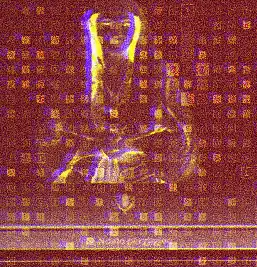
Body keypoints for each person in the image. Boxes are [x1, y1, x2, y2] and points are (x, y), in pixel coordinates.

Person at [42, 1, 195, 185]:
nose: (115, 33)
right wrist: (92, 147)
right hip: (85, 171)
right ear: (91, 28)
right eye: (105, 25)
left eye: (125, 25)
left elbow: (183, 133)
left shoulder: (159, 75)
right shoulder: (70, 76)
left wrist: (137, 147)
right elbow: (51, 134)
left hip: (141, 173)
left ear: (137, 28)